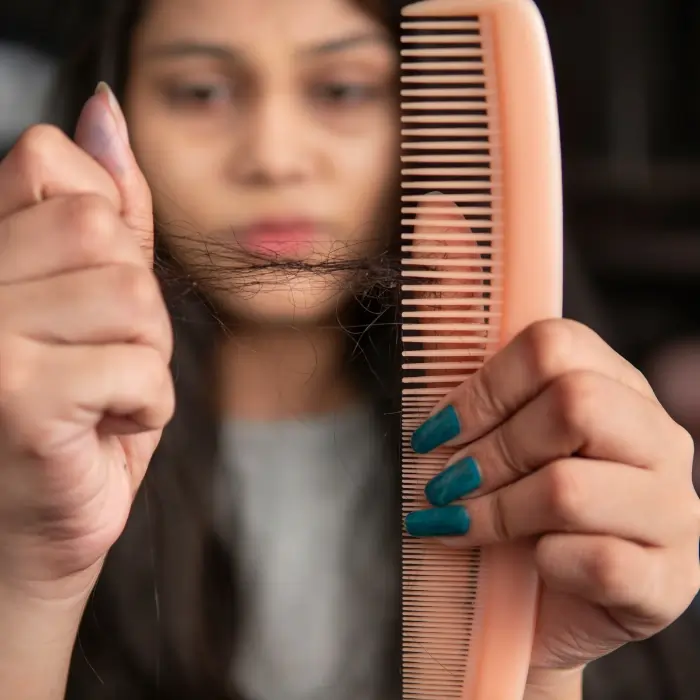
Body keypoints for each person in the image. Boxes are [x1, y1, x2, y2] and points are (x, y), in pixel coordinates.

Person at [0, 1, 697, 699]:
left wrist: (541, 672)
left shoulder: (570, 465)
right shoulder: (38, 461)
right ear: (117, 109)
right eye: (202, 92)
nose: (274, 158)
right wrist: (25, 586)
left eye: (341, 90)